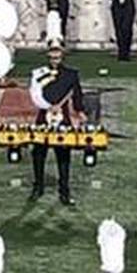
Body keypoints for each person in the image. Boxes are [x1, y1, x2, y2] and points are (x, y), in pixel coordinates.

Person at [29, 12, 86, 206]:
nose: (55, 56)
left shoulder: (71, 74)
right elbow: (35, 95)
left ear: (62, 53)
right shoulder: (39, 73)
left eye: (58, 53)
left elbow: (77, 94)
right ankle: (38, 186)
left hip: (64, 119)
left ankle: (64, 190)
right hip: (43, 117)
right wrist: (48, 107)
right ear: (48, 54)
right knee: (38, 153)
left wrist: (80, 111)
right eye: (52, 53)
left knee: (63, 155)